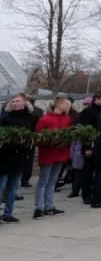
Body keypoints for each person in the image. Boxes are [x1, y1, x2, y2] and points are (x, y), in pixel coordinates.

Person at [0, 93, 38, 222]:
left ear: (24, 102)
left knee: (13, 188)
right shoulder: (5, 118)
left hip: (20, 157)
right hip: (5, 158)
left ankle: (8, 214)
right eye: (13, 101)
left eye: (17, 101)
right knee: (1, 187)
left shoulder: (29, 118)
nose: (15, 103)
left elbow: (31, 136)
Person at [33, 96, 71, 218]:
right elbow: (37, 138)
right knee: (43, 181)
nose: (68, 106)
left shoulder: (66, 119)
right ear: (59, 105)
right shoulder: (45, 119)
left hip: (61, 153)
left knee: (52, 181)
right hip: (48, 154)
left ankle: (49, 206)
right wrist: (50, 140)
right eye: (66, 104)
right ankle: (39, 208)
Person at [74, 91, 101, 205]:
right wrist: (87, 147)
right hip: (90, 146)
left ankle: (98, 193)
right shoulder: (87, 112)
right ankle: (86, 195)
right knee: (88, 172)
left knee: (99, 172)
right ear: (96, 99)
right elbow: (85, 131)